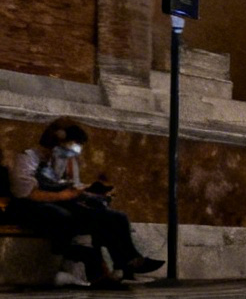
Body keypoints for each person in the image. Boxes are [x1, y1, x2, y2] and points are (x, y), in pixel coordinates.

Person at [6, 120, 160, 289]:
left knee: (114, 217)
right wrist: (63, 195)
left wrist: (89, 192)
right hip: (31, 206)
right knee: (68, 218)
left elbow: (69, 186)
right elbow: (26, 193)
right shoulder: (27, 158)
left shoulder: (61, 162)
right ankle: (92, 270)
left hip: (61, 202)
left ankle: (128, 263)